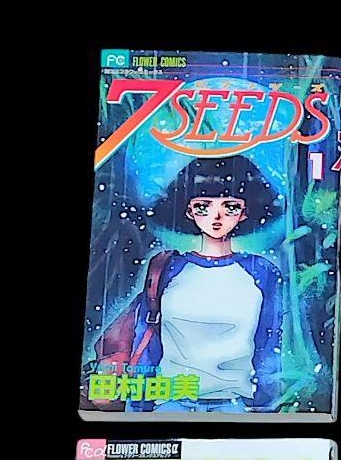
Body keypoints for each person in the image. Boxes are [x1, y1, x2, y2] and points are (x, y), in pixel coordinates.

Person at [108, 155, 284, 413]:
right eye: (203, 206)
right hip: (170, 402)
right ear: (189, 210)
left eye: (230, 207)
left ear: (245, 211)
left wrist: (266, 409)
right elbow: (147, 340)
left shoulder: (262, 272)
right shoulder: (168, 267)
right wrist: (139, 406)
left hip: (235, 404)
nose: (217, 216)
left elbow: (268, 345)